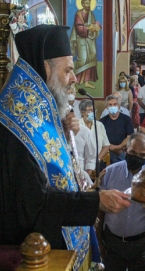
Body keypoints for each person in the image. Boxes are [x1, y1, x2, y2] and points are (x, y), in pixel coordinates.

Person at [0, 25, 130, 270]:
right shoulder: (15, 121)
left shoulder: (36, 111)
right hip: (36, 252)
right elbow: (32, 203)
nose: (74, 78)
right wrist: (95, 202)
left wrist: (62, 129)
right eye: (69, 70)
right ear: (46, 66)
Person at [99, 133, 145, 271]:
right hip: (113, 243)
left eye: (142, 155)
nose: (137, 158)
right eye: (133, 153)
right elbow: (100, 210)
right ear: (125, 150)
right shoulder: (109, 173)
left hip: (141, 243)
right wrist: (98, 239)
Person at [70, 0, 101, 89]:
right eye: (86, 3)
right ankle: (74, 82)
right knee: (83, 59)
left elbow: (95, 24)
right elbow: (78, 27)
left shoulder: (91, 13)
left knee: (92, 56)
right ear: (83, 4)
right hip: (81, 39)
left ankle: (87, 82)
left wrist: (95, 27)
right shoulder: (78, 14)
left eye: (89, 3)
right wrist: (88, 27)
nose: (88, 5)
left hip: (90, 39)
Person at [100, 95, 134, 164]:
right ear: (106, 107)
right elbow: (101, 139)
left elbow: (129, 136)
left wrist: (119, 147)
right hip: (108, 152)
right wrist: (112, 148)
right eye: (110, 105)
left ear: (119, 106)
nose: (113, 106)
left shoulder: (126, 119)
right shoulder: (102, 122)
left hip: (123, 152)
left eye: (115, 104)